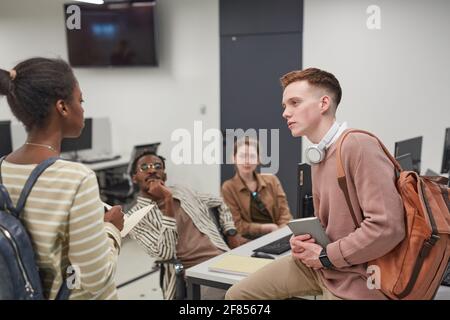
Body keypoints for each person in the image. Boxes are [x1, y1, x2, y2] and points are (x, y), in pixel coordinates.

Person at [225, 68, 405, 300]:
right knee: (237, 296)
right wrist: (306, 241)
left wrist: (325, 255)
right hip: (325, 265)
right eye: (284, 106)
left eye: (295, 103)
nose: (285, 113)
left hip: (358, 274)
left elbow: (387, 228)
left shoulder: (358, 145)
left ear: (323, 104)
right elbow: (335, 223)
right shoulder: (319, 155)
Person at [0, 58, 123, 300]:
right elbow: (95, 280)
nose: (83, 109)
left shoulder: (2, 168)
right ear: (63, 107)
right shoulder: (77, 179)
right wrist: (111, 229)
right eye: (81, 100)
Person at [128, 151, 247, 299]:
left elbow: (219, 202)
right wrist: (167, 201)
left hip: (223, 258)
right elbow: (165, 253)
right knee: (235, 295)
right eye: (144, 167)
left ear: (164, 175)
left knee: (265, 283)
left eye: (157, 166)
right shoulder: (135, 217)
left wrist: (231, 232)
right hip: (193, 275)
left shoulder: (182, 191)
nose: (152, 170)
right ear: (134, 178)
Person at [221, 138, 292, 239]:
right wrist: (266, 228)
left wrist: (279, 235)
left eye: (252, 156)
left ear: (258, 159)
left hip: (278, 235)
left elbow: (285, 216)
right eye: (242, 156)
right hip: (248, 240)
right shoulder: (228, 187)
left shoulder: (272, 180)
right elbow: (237, 225)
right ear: (234, 158)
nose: (247, 161)